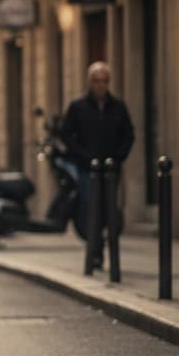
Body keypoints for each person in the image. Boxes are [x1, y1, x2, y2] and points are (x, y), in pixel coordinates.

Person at [60, 61, 135, 271]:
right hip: (87, 168)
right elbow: (66, 135)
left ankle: (107, 247)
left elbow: (128, 135)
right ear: (89, 82)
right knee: (90, 207)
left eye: (104, 81)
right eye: (96, 81)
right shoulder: (78, 107)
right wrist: (83, 157)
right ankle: (95, 251)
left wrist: (118, 157)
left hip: (110, 169)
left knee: (108, 208)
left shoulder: (118, 107)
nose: (100, 85)